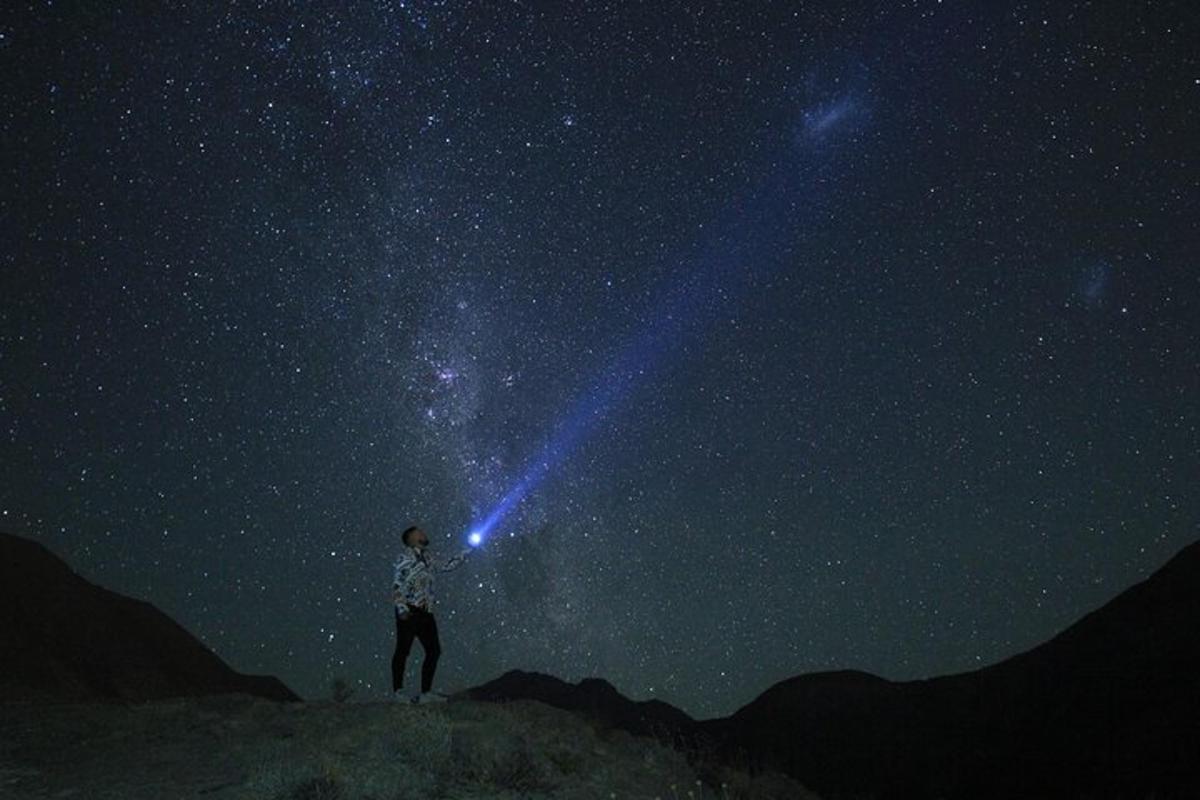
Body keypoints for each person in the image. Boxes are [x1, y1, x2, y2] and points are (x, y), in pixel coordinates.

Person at [391, 525, 471, 704]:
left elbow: (447, 566)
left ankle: (426, 693)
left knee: (434, 650)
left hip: (426, 611)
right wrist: (401, 608)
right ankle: (398, 692)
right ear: (411, 538)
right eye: (419, 532)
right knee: (403, 650)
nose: (424, 533)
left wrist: (466, 552)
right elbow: (397, 582)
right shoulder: (404, 557)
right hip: (409, 608)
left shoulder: (429, 558)